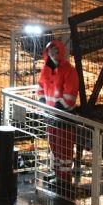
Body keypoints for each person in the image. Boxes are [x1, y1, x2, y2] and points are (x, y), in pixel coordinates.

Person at [37, 39, 80, 186]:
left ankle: (64, 178)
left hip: (63, 117)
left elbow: (70, 96)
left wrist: (56, 109)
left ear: (61, 52)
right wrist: (42, 101)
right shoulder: (46, 69)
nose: (53, 54)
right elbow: (41, 87)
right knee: (53, 146)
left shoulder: (69, 71)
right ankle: (57, 173)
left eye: (56, 51)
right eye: (51, 51)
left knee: (64, 148)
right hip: (51, 115)